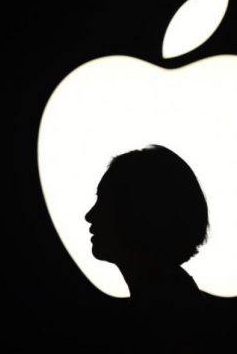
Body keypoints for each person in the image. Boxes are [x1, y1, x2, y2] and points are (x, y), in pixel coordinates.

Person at [85, 144, 209, 352]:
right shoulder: (176, 306)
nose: (90, 216)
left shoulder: (165, 322)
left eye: (104, 202)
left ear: (137, 212)